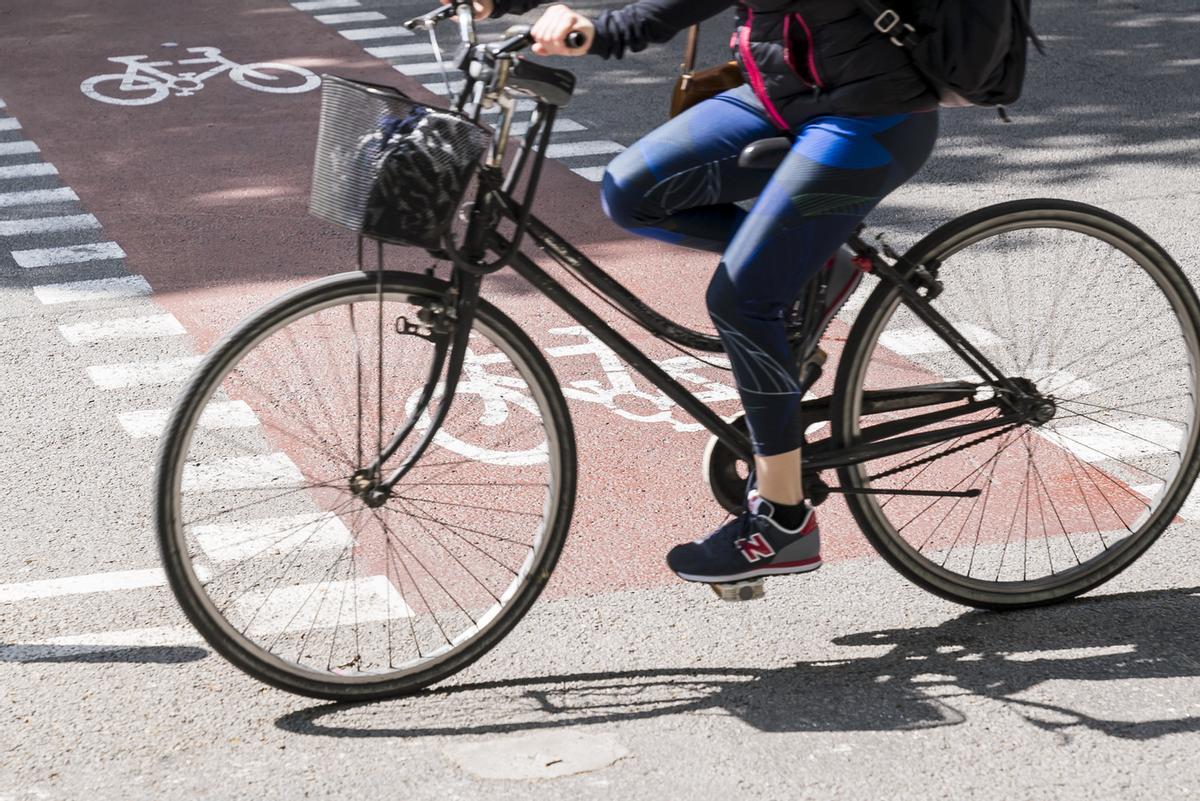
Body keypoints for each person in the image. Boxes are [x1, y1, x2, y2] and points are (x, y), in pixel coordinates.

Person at [446, 0, 940, 585]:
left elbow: (668, 11)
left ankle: (784, 521)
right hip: (784, 91)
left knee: (742, 299)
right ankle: (809, 265)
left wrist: (598, 32)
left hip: (872, 116)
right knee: (632, 190)